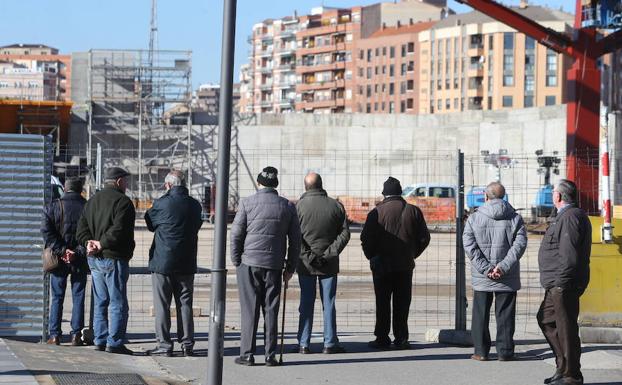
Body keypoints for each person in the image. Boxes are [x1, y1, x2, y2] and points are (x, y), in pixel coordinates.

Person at [230, 166, 301, 367]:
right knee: (271, 309)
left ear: (259, 183)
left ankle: (247, 354)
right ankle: (270, 355)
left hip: (249, 263)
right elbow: (296, 240)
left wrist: (237, 260)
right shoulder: (287, 206)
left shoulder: (247, 203)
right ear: (275, 185)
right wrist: (290, 268)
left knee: (249, 309)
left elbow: (236, 234)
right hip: (274, 265)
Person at [361, 176, 430, 350]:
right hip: (405, 265)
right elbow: (425, 238)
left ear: (384, 194)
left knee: (382, 302)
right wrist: (412, 254)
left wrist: (372, 257)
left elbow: (366, 239)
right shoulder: (413, 211)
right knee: (402, 303)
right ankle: (401, 338)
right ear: (400, 192)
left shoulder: (376, 212)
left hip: (381, 265)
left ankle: (382, 337)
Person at [462, 182, 527, 361]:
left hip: (482, 275)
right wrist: (503, 267)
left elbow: (469, 246)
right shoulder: (515, 218)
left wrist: (486, 269)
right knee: (505, 314)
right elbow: (519, 245)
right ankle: (505, 352)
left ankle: (481, 352)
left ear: (485, 196)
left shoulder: (474, 218)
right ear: (504, 196)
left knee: (480, 314)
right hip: (507, 275)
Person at [77, 167, 135, 355]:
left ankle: (100, 339)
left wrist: (89, 243)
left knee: (100, 301)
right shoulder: (123, 202)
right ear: (119, 182)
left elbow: (81, 230)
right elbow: (119, 230)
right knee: (117, 302)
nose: (127, 185)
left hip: (94, 259)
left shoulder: (92, 201)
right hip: (114, 257)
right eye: (125, 181)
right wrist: (101, 244)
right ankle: (115, 342)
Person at [537, 179, 591, 385]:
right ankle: (563, 365)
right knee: (546, 319)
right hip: (556, 283)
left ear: (558, 197)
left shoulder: (569, 218)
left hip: (563, 283)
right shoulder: (564, 216)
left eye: (553, 193)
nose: (552, 195)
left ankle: (572, 375)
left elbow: (569, 256)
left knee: (565, 327)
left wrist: (561, 282)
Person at [144, 170, 202, 357]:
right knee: (185, 303)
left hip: (163, 261)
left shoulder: (162, 204)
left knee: (162, 304)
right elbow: (197, 225)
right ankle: (187, 344)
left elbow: (150, 222)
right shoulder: (195, 205)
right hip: (187, 262)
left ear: (168, 185)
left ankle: (164, 345)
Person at [294, 173, 350, 354]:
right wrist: (329, 254)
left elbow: (296, 236)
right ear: (321, 185)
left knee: (306, 303)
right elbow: (344, 234)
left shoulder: (298, 207)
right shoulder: (335, 206)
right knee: (329, 303)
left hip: (305, 264)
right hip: (329, 264)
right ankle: (330, 343)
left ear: (305, 187)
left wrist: (309, 256)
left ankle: (304, 343)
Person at [41, 177, 88, 346]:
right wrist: (76, 252)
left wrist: (62, 250)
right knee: (79, 296)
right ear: (80, 189)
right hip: (80, 259)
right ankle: (76, 335)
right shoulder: (88, 206)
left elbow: (47, 232)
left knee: (57, 297)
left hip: (58, 259)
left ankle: (55, 335)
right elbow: (91, 234)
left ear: (65, 188)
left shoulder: (53, 206)